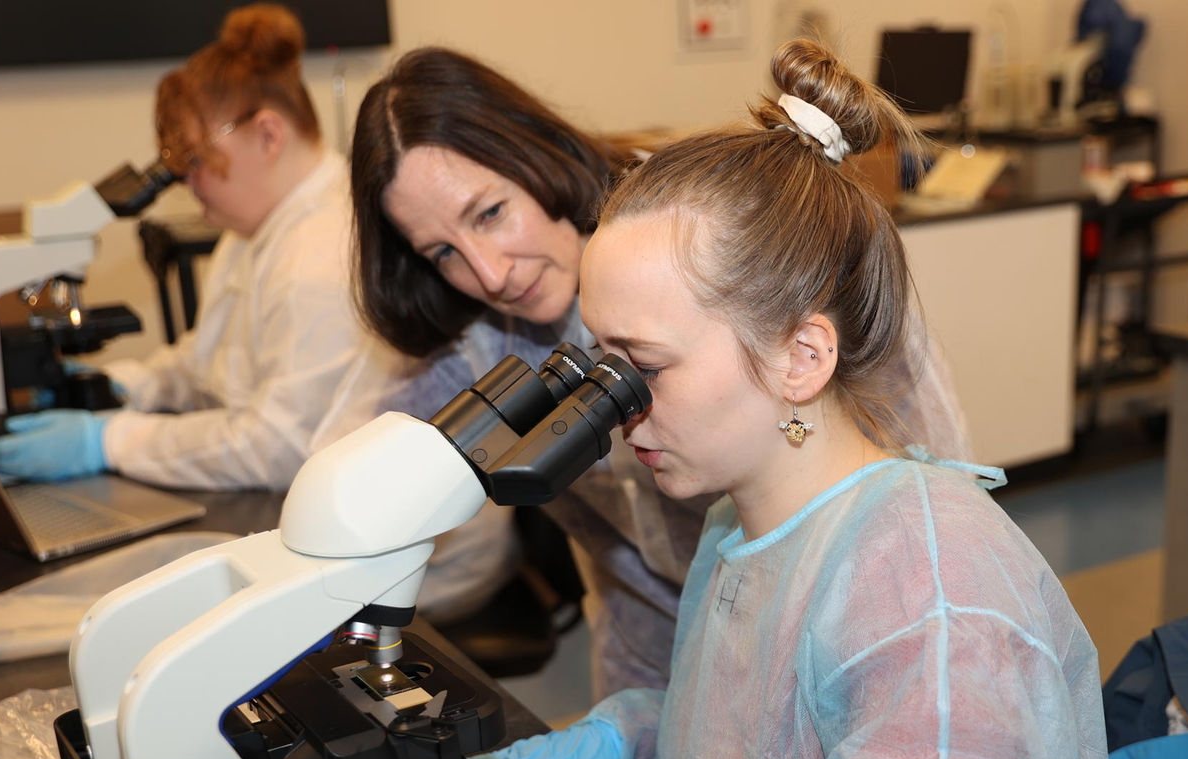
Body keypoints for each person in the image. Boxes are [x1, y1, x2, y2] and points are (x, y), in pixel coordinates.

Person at [410, 40, 1115, 759]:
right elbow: (764, 749)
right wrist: (636, 737)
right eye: (603, 361)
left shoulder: (930, 599)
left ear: (802, 357)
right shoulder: (737, 523)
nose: (615, 407)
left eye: (643, 367)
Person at [329, 45, 972, 699]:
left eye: (490, 213)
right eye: (442, 252)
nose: (490, 272)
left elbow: (929, 478)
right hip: (659, 647)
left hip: (834, 629)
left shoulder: (716, 238)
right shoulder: (478, 336)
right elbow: (364, 481)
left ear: (535, 155)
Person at [0, 4, 365, 491]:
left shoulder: (324, 254)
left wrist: (107, 441)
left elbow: (276, 446)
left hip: (384, 545)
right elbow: (206, 364)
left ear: (268, 135)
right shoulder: (253, 234)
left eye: (198, 162)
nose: (188, 185)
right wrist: (116, 386)